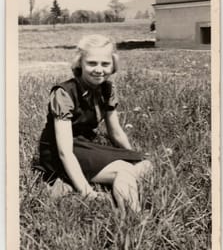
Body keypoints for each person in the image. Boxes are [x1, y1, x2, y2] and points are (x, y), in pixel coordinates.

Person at [37, 34, 152, 214]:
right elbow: (64, 151)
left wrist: (130, 154)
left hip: (85, 144)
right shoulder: (64, 93)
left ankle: (72, 183)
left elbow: (116, 132)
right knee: (125, 172)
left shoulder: (107, 89)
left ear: (113, 64)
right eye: (92, 63)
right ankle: (132, 220)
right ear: (79, 63)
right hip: (59, 151)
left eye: (105, 64)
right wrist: (86, 191)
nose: (99, 70)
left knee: (145, 164)